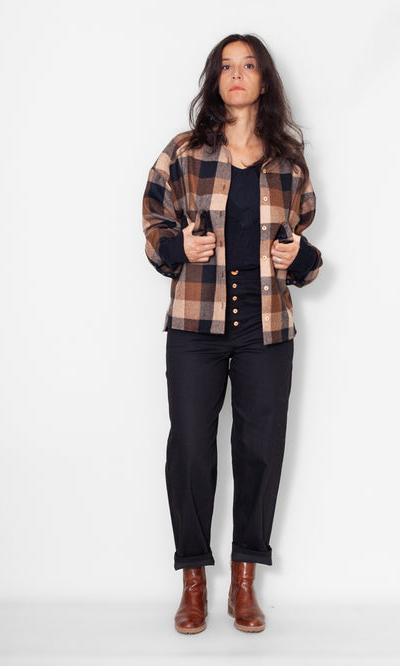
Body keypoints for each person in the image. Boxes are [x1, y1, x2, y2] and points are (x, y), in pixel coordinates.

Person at [142, 33, 322, 634]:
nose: (237, 74)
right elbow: (153, 222)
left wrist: (298, 256)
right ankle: (193, 582)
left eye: (248, 65)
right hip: (196, 325)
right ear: (215, 80)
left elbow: (304, 252)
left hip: (266, 328)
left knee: (259, 451)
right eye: (226, 66)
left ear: (264, 80)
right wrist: (179, 247)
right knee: (191, 451)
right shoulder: (184, 151)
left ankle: (245, 583)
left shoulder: (289, 162)